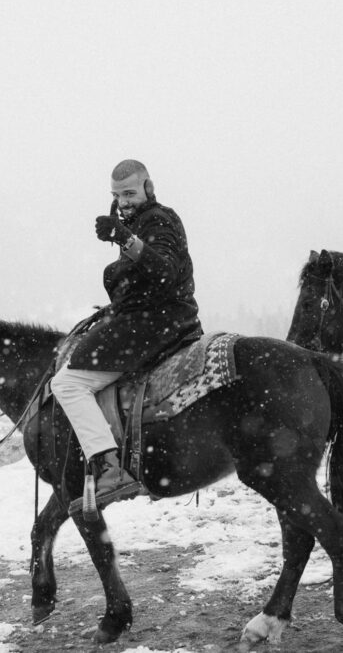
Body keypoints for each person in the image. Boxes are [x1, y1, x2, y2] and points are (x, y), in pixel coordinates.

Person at [51, 159, 203, 514]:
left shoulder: (158, 219)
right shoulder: (138, 222)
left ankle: (109, 467)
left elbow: (164, 271)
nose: (123, 201)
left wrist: (123, 236)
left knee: (67, 384)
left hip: (155, 325)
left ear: (149, 188)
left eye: (130, 193)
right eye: (117, 195)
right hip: (158, 319)